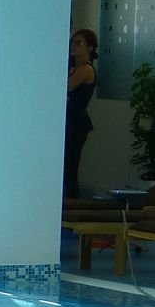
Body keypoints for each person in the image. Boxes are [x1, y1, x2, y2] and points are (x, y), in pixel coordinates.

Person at [64, 29, 98, 205]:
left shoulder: (85, 69)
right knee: (66, 167)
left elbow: (65, 87)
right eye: (73, 42)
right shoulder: (74, 68)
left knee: (69, 168)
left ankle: (71, 205)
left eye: (80, 43)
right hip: (70, 121)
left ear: (90, 48)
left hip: (76, 123)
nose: (74, 46)